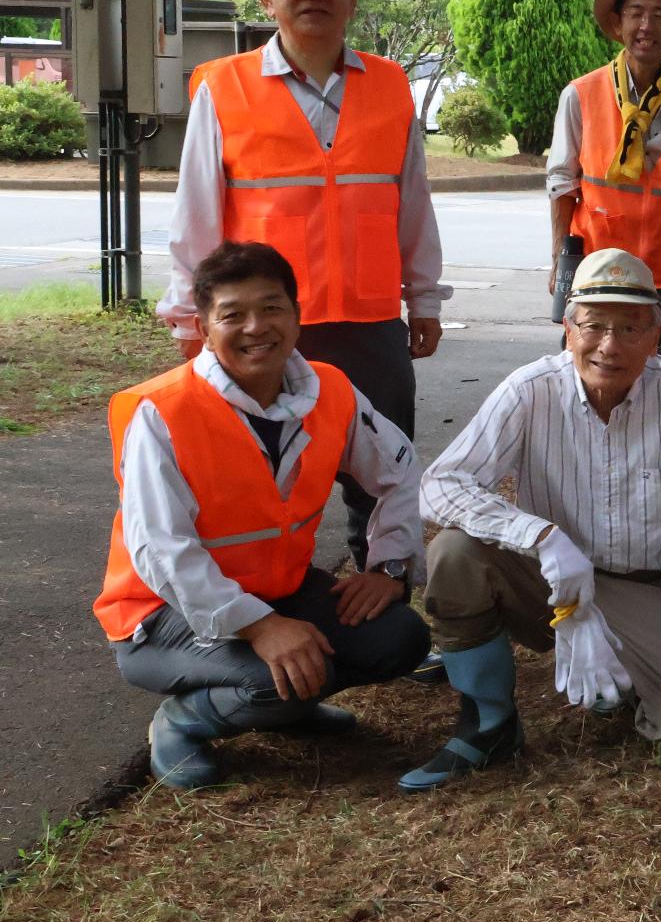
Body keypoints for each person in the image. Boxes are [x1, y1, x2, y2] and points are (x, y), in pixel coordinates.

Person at [160, 0, 450, 578]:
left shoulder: (389, 87)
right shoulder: (223, 88)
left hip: (370, 321)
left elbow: (411, 203)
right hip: (265, 327)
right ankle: (254, 611)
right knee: (252, 469)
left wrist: (423, 297)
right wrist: (188, 316)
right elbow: (196, 215)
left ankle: (382, 594)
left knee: (383, 468)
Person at [98, 242, 430, 789]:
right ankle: (184, 721)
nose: (257, 327)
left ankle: (291, 701)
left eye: (272, 307)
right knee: (275, 678)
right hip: (157, 616)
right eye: (233, 314)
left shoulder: (331, 391)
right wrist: (262, 626)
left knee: (399, 638)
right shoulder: (162, 411)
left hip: (280, 589)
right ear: (204, 327)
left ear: (298, 317)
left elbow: (400, 470)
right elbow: (162, 551)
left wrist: (389, 567)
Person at [400, 248, 661, 791]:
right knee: (455, 554)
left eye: (630, 328)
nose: (609, 345)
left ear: (656, 335)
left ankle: (624, 682)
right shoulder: (530, 390)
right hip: (553, 583)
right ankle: (487, 724)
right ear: (567, 329)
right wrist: (542, 537)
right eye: (594, 325)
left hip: (645, 588)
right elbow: (440, 485)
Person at [547, 0, 661, 358]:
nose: (646, 25)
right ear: (618, 24)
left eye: (659, 15)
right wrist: (558, 260)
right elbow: (562, 181)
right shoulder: (580, 94)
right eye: (635, 13)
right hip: (598, 269)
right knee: (585, 373)